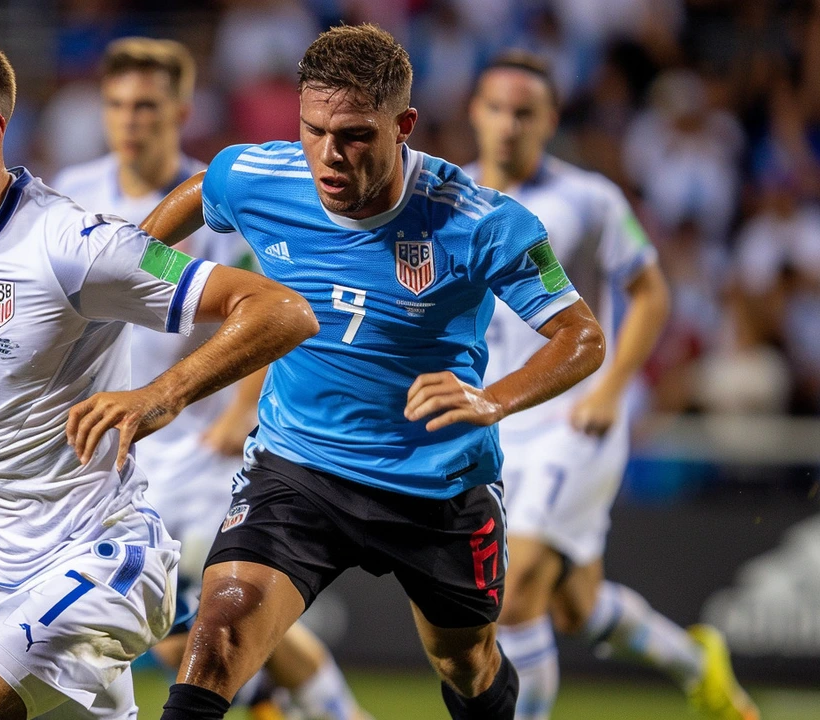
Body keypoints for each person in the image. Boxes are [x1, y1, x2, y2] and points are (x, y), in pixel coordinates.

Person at [139, 24, 607, 720]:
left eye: (355, 135)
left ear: (404, 126)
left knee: (465, 661)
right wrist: (135, 270)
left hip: (437, 481)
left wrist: (493, 399)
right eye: (313, 130)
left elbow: (582, 337)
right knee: (215, 640)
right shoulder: (258, 177)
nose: (329, 154)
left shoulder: (478, 220)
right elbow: (196, 198)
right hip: (298, 467)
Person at [0, 30, 318, 720]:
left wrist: (162, 394)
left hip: (106, 554)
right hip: (2, 570)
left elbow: (281, 309)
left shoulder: (74, 245)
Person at [51, 37, 367, 720]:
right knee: (207, 629)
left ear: (181, 110)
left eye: (146, 106)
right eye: (117, 105)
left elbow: (280, 305)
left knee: (186, 626)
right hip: (110, 449)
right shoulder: (71, 195)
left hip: (199, 447)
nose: (131, 120)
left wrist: (240, 411)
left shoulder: (223, 199)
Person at [467, 51, 760, 720]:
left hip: (574, 421)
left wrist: (609, 391)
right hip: (497, 425)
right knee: (575, 606)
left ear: (550, 119)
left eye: (525, 113)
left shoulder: (590, 198)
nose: (509, 125)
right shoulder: (454, 200)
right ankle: (698, 665)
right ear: (473, 114)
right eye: (496, 109)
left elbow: (651, 296)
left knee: (511, 601)